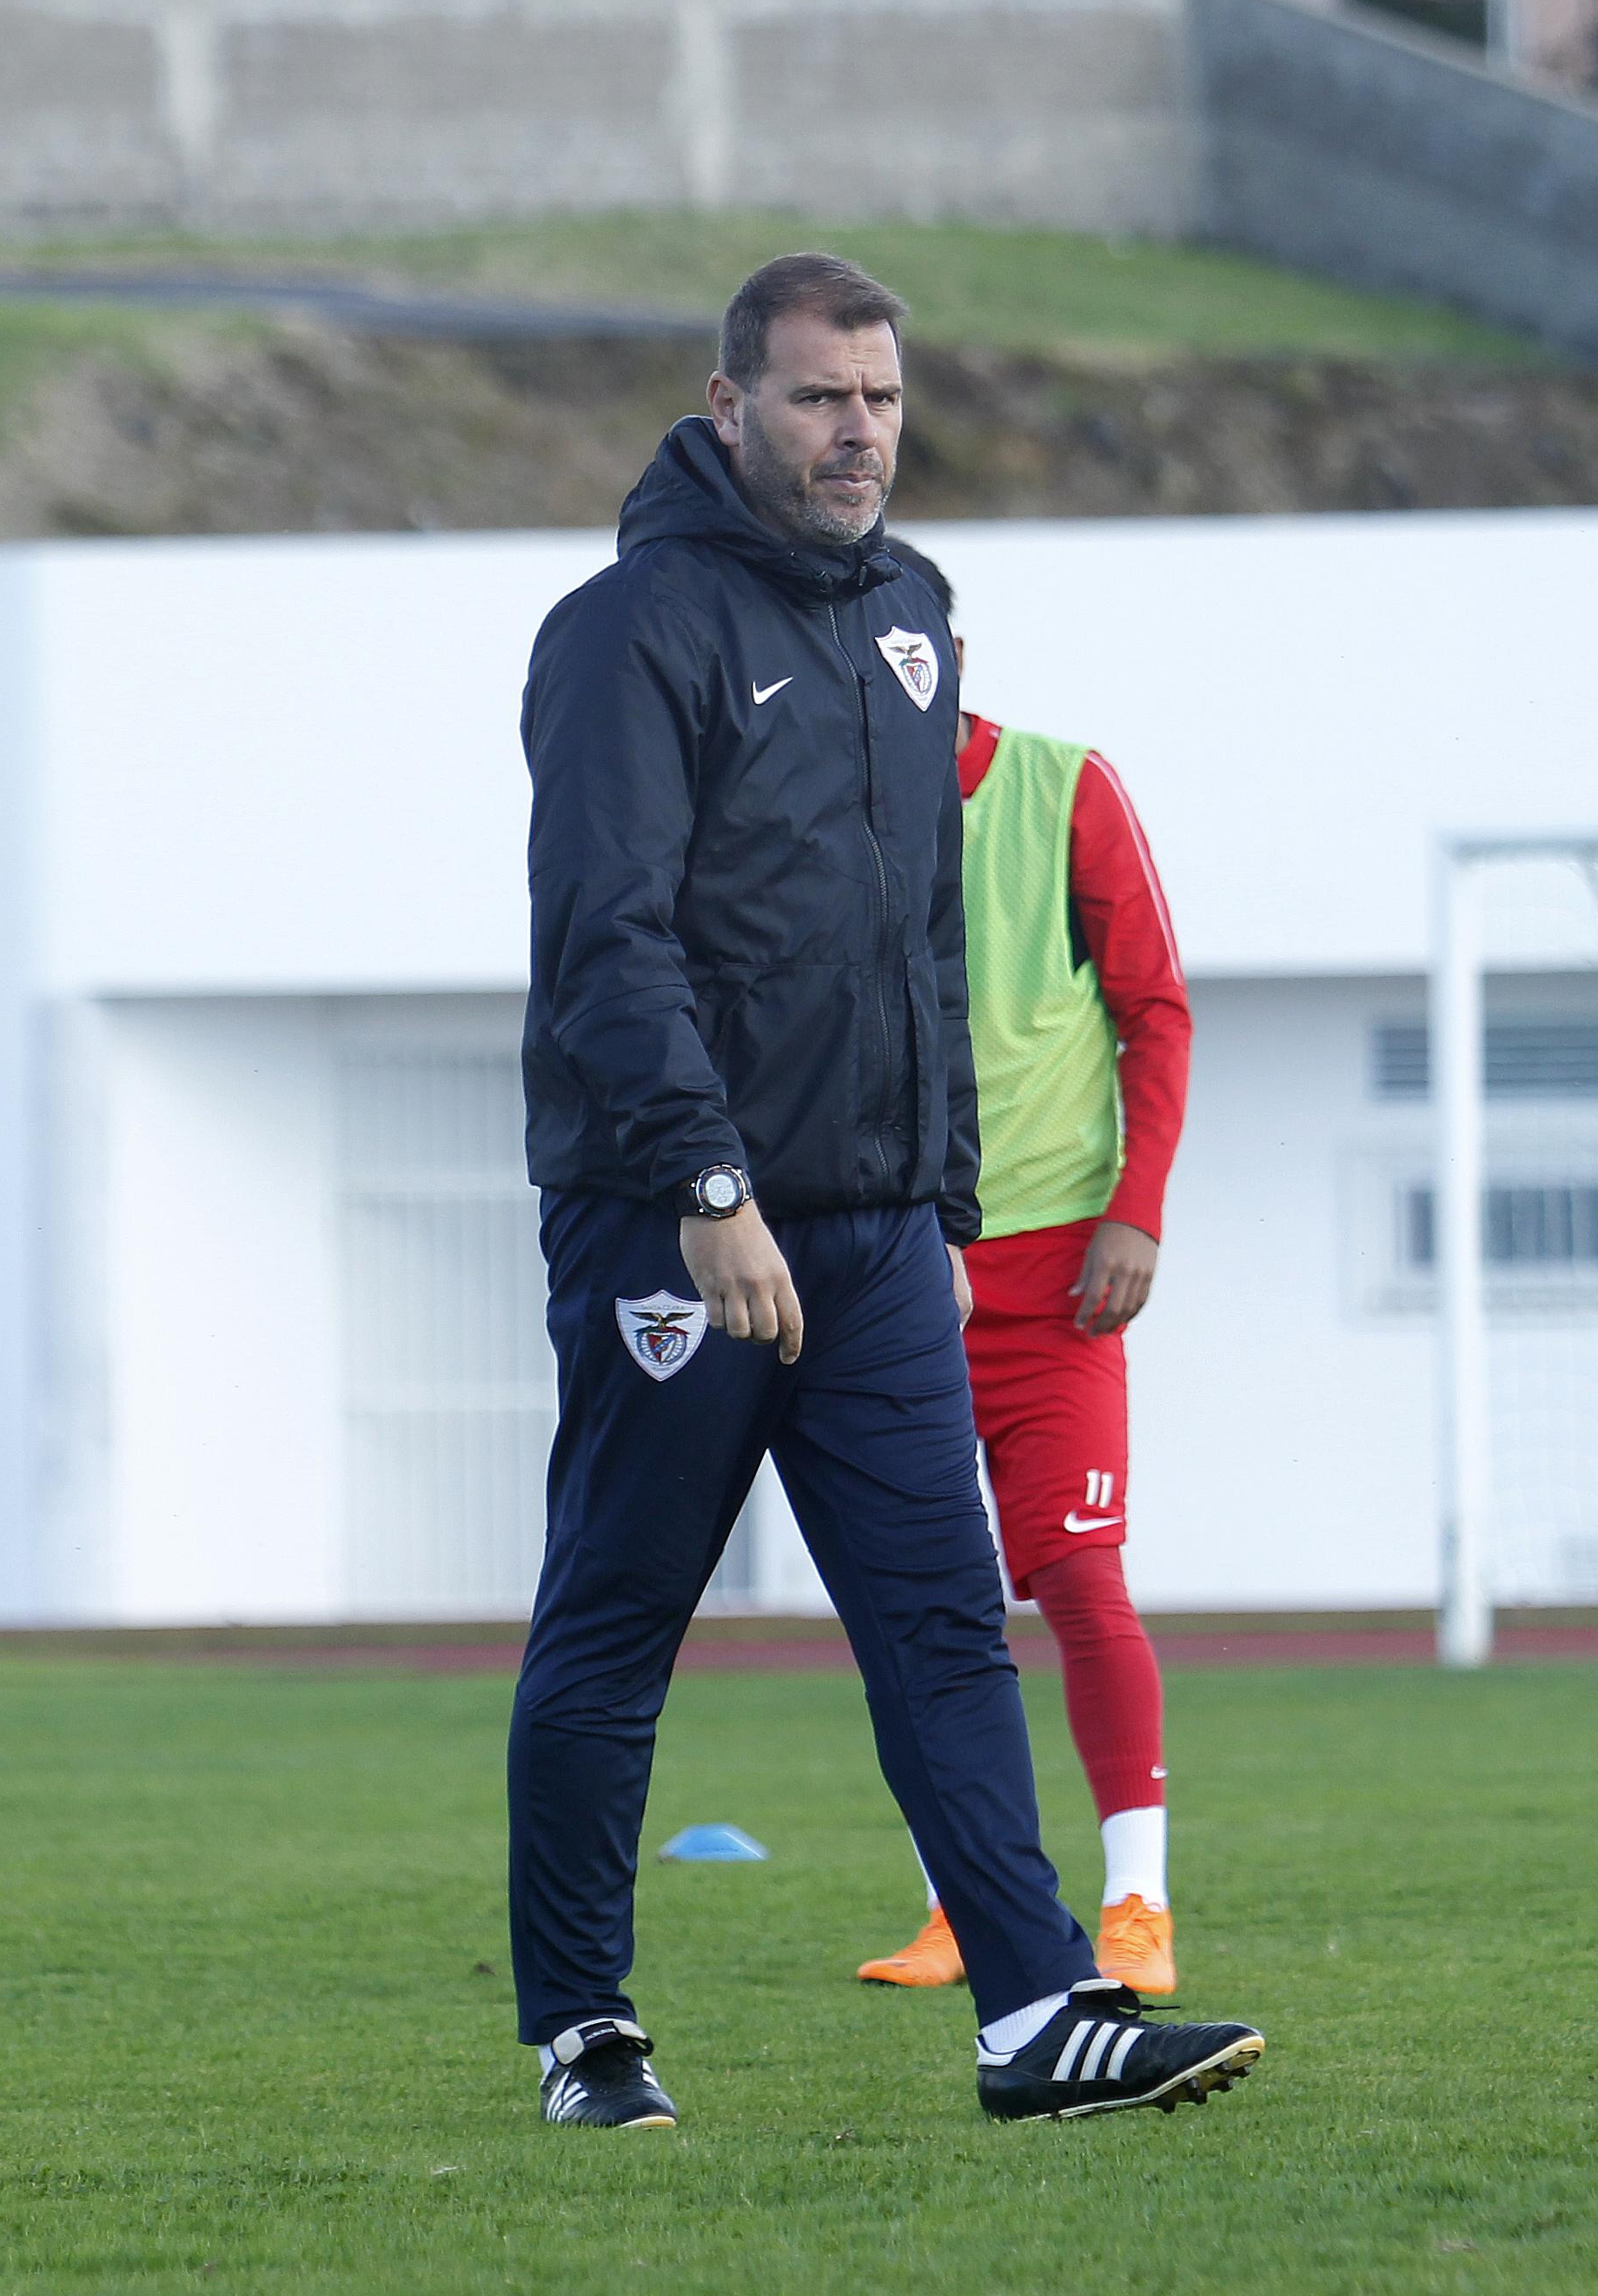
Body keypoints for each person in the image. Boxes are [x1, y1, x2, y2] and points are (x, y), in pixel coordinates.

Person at [509, 251, 1263, 2130]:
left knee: (946, 1623)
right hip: (676, 1228)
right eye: (818, 397)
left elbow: (919, 938)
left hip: (866, 1243)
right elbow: (607, 941)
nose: (857, 433)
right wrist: (702, 1178)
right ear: (729, 409)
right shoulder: (625, 631)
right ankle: (583, 2031)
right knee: (616, 1624)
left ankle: (1037, 2017)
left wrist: (936, 1204)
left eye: (881, 399)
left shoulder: (916, 616)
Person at [850, 542, 1197, 2000]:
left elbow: (1154, 1011)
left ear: (953, 659)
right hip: (888, 1265)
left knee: (1075, 1577)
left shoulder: (1067, 786)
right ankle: (964, 1904)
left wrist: (1138, 1211)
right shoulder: (822, 811)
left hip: (1060, 1273)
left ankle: (1138, 1908)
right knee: (928, 1597)